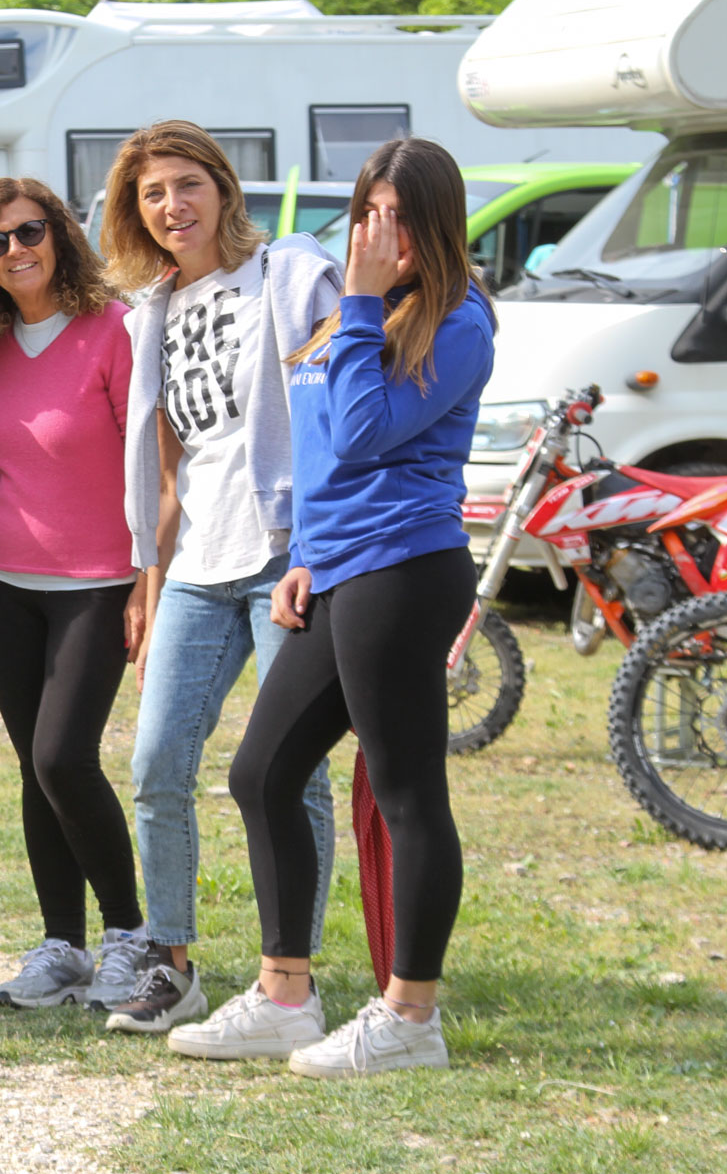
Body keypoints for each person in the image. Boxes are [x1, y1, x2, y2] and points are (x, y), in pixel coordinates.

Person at [171, 138, 493, 1077]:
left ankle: (411, 1016)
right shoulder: (363, 312)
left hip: (406, 566)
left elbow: (360, 432)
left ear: (435, 223)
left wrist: (358, 299)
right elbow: (317, 453)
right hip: (338, 569)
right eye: (367, 214)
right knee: (262, 772)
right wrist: (305, 555)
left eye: (398, 217)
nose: (377, 234)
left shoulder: (458, 320)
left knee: (405, 789)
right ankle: (284, 996)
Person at [97, 120, 342, 1034]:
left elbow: (337, 411)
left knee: (293, 772)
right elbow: (172, 468)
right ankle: (172, 966)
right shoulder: (152, 314)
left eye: (187, 184)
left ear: (223, 187)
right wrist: (149, 579)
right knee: (157, 763)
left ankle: (292, 977)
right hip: (199, 565)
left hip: (285, 553)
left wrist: (319, 546)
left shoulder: (288, 275)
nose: (173, 206)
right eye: (153, 194)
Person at [0, 177, 151, 1009]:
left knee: (65, 757)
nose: (15, 251)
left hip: (98, 583)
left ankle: (128, 935)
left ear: (59, 234)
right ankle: (62, 945)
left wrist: (148, 579)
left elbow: (152, 466)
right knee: (35, 767)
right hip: (4, 581)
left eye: (29, 232)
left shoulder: (115, 329)